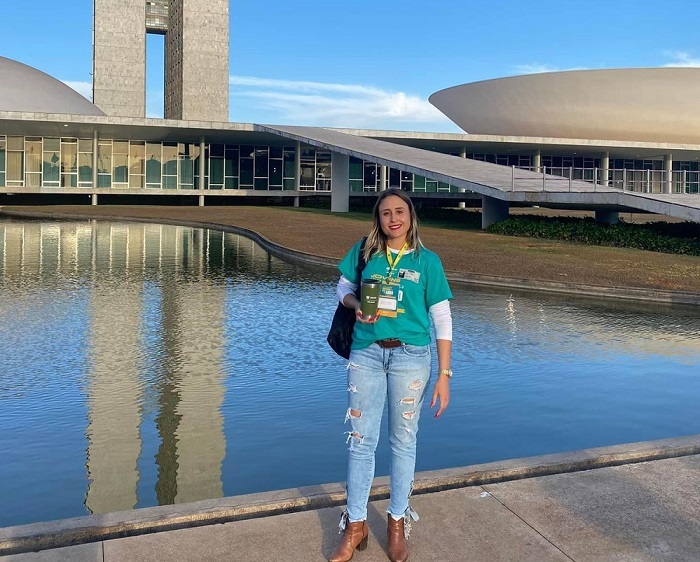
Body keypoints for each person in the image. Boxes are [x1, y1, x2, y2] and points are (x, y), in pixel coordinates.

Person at [330, 188, 453, 562]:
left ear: (410, 216)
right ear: (378, 218)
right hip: (366, 353)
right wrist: (355, 304)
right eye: (386, 213)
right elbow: (343, 287)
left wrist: (444, 375)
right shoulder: (365, 252)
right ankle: (355, 524)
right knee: (360, 441)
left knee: (403, 441)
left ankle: (397, 521)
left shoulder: (427, 261)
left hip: (411, 357)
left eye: (400, 211)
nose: (393, 218)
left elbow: (442, 317)